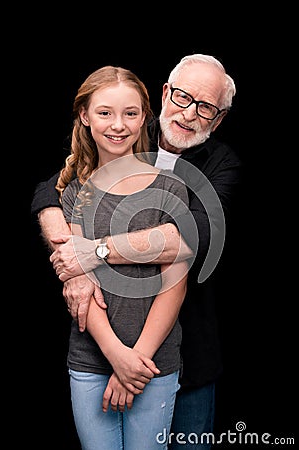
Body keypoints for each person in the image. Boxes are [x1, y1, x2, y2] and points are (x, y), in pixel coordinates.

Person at [31, 54, 242, 449]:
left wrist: (92, 252)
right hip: (97, 350)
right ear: (163, 96)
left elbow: (187, 241)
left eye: (206, 107)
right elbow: (53, 190)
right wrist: (73, 266)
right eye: (183, 97)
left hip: (180, 351)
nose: (190, 114)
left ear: (218, 118)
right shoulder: (104, 158)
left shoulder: (219, 165)